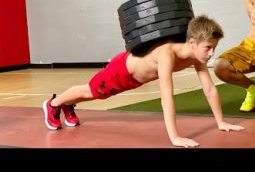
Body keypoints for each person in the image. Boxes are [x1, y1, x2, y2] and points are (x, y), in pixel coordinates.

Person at [42, 15, 244, 148]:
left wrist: (221, 122)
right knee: (92, 92)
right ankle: (53, 103)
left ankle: (66, 104)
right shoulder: (167, 54)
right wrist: (175, 137)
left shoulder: (195, 56)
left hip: (135, 80)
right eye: (208, 47)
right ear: (192, 42)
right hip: (121, 71)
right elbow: (166, 97)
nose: (211, 53)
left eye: (214, 48)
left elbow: (209, 89)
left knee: (98, 95)